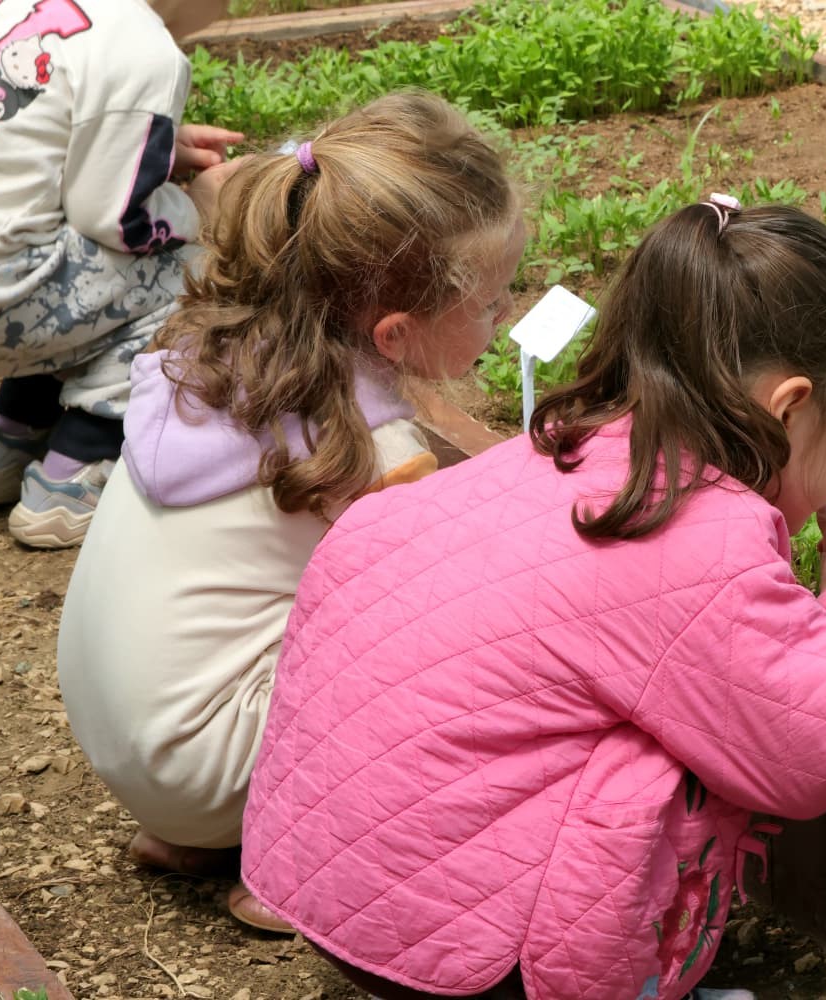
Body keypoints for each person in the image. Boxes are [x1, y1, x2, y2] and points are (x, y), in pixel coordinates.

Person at [239, 197, 826, 1000]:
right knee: (687, 741)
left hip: (332, 893)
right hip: (469, 960)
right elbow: (816, 748)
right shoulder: (700, 536)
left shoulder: (550, 457)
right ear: (793, 406)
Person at [56, 91, 526, 934]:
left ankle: (200, 836)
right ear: (394, 335)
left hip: (125, 734)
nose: (502, 318)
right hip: (201, 762)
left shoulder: (210, 354)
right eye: (490, 302)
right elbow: (452, 620)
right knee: (448, 659)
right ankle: (293, 865)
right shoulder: (373, 452)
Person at [0, 0, 242, 548]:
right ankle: (75, 469)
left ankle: (10, 436)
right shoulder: (144, 46)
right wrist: (200, 205)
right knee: (196, 271)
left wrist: (154, 149)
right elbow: (114, 221)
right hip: (4, 297)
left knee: (54, 251)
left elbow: (30, 148)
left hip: (0, 283)